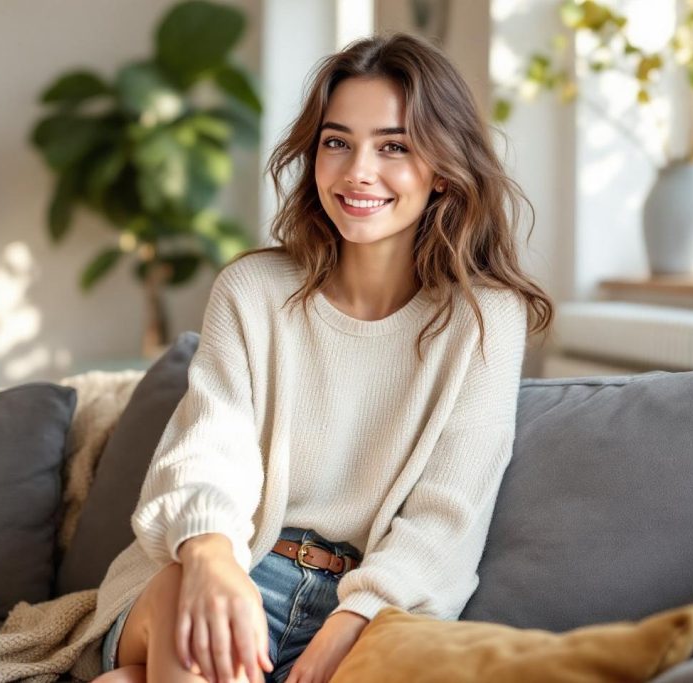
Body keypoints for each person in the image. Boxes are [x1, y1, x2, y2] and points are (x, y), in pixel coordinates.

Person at [91, 31, 553, 683]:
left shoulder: (483, 320)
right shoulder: (252, 290)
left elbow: (450, 509)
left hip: (362, 605)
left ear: (445, 169)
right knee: (195, 621)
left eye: (394, 146)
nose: (357, 170)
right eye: (337, 142)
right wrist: (213, 557)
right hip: (222, 565)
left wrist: (357, 615)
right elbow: (208, 446)